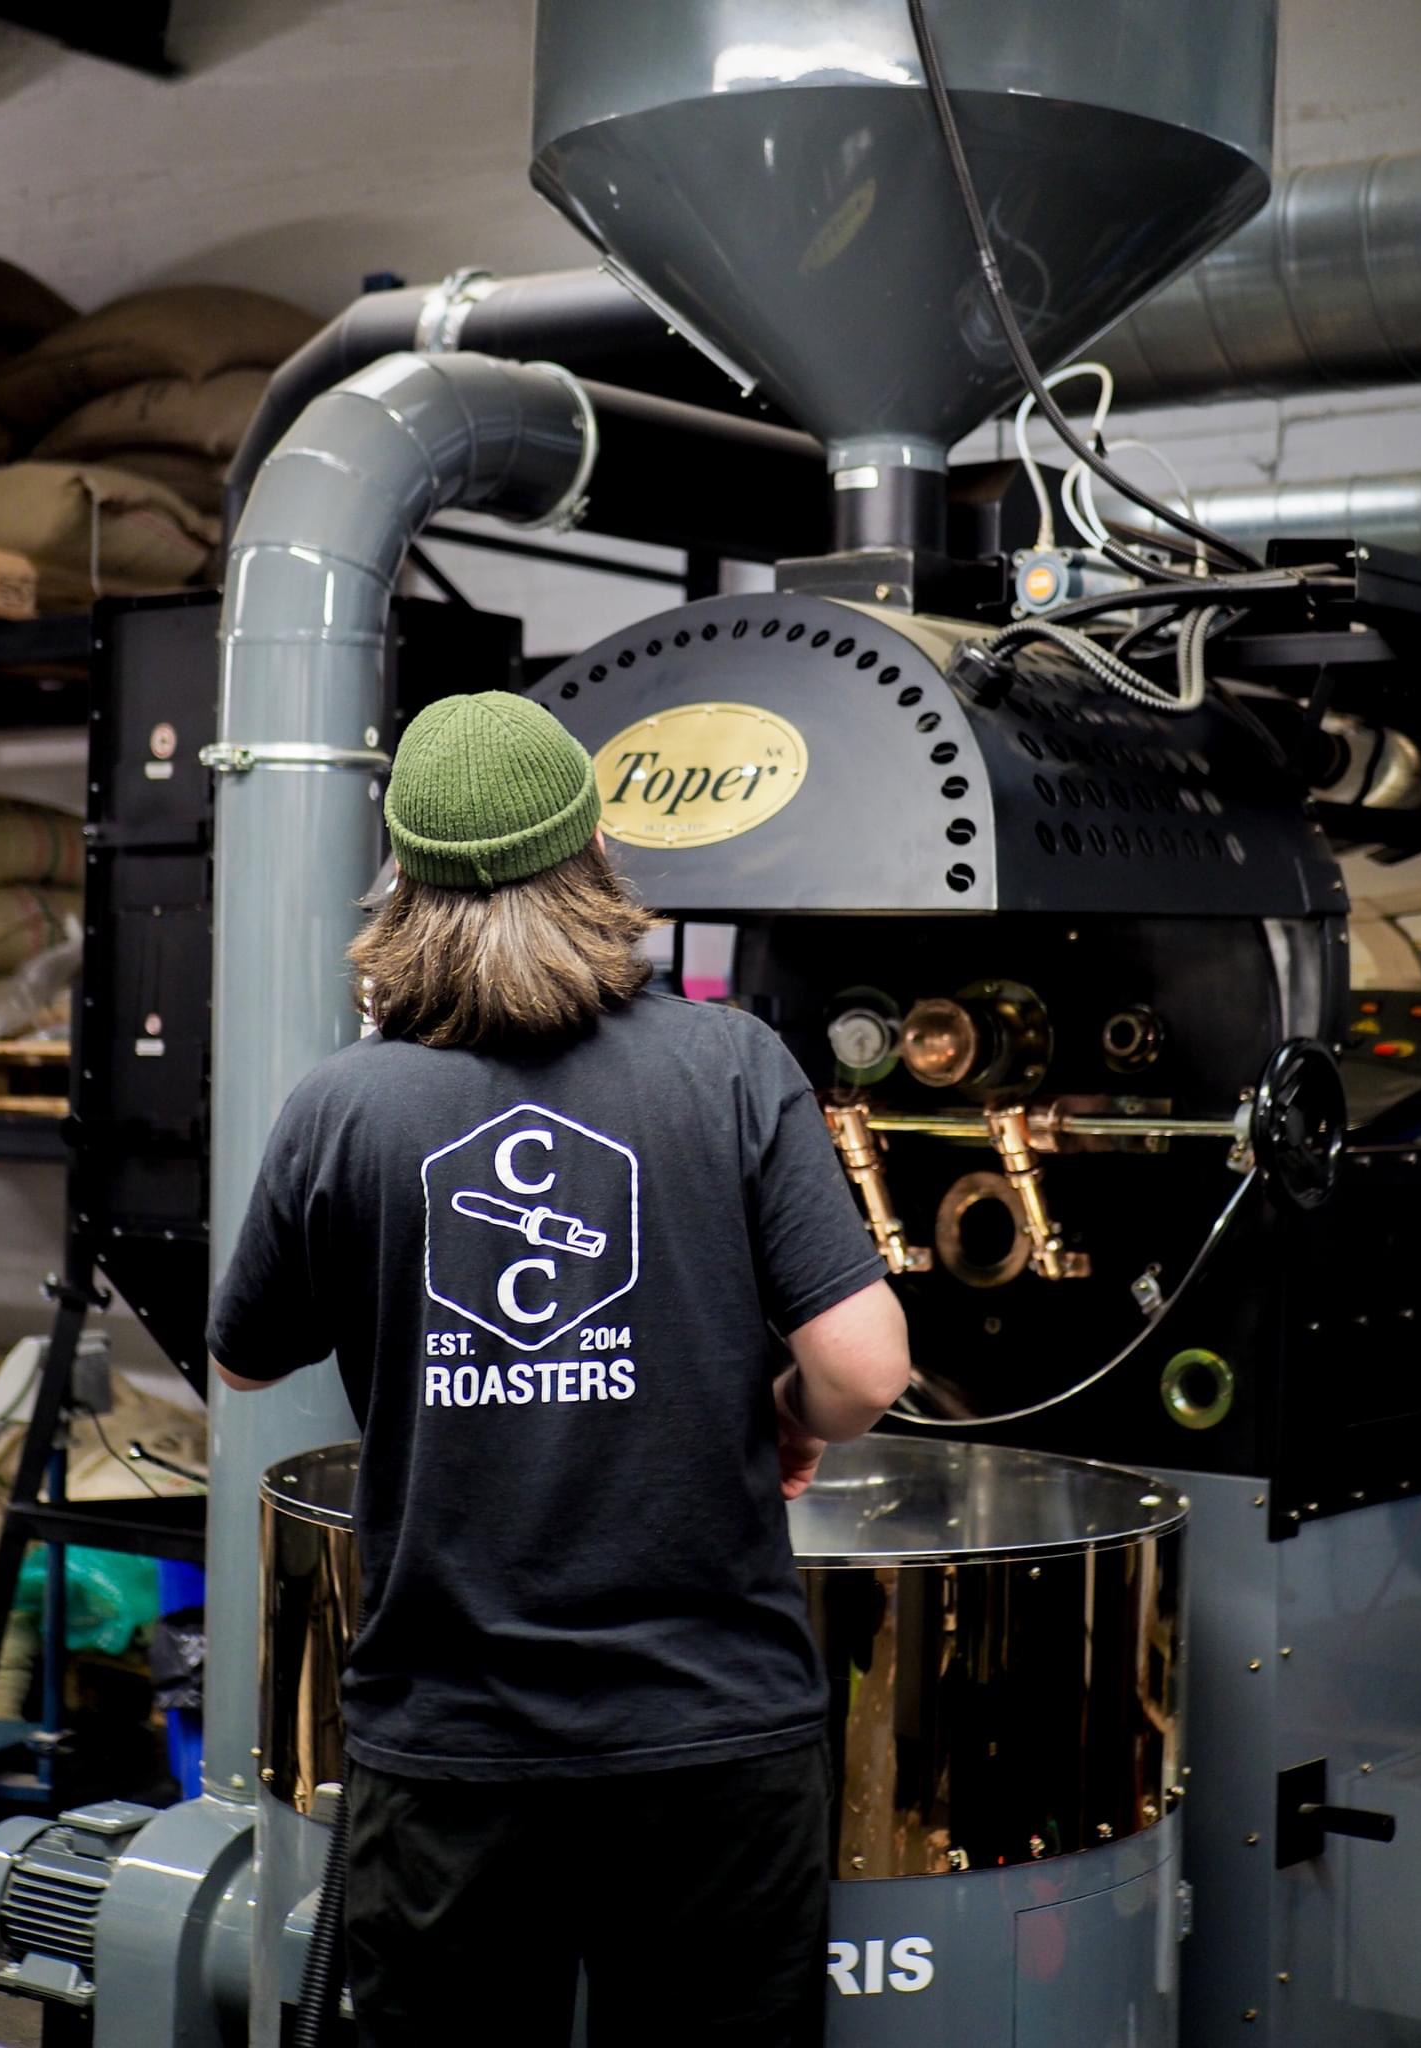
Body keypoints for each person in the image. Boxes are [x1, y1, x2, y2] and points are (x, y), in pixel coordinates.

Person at [208, 690, 912, 2047]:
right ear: (595, 852)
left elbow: (243, 1364)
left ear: (403, 889)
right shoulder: (727, 1064)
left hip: (453, 1747)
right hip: (710, 1737)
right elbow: (864, 1367)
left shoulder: (345, 1104)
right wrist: (787, 1410)